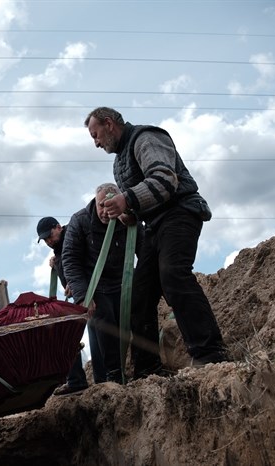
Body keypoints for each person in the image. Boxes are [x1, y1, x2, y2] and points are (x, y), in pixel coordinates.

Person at [84, 106, 228, 374]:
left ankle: (210, 353)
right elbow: (140, 201)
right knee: (139, 295)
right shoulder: (119, 162)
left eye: (96, 135)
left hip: (180, 212)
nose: (96, 143)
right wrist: (129, 213)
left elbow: (164, 180)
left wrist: (126, 200)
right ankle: (148, 368)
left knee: (173, 275)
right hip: (154, 224)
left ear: (108, 124)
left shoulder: (146, 138)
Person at [62, 183, 143, 384]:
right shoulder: (80, 220)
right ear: (95, 202)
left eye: (110, 205)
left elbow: (144, 250)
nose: (106, 211)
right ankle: (112, 377)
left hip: (123, 281)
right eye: (101, 205)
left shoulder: (128, 218)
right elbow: (70, 258)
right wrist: (82, 296)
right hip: (95, 285)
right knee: (104, 323)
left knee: (139, 318)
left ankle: (143, 369)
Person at [37, 216, 102, 396]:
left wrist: (75, 283)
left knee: (98, 336)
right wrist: (56, 263)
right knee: (71, 334)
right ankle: (78, 380)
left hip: (92, 292)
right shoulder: (59, 249)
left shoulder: (72, 237)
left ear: (58, 227)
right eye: (45, 240)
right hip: (80, 297)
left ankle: (100, 380)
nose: (49, 241)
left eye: (50, 236)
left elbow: (83, 261)